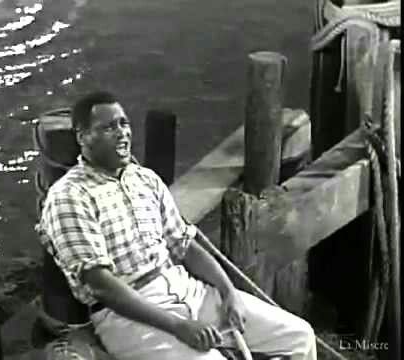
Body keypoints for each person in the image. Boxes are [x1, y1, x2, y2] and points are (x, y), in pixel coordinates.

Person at [37, 91, 317, 360]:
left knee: (299, 336)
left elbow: (185, 245)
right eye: (109, 127)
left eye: (124, 123)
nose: (122, 132)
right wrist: (178, 326)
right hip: (127, 316)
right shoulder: (68, 197)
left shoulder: (145, 179)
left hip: (186, 288)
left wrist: (228, 293)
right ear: (83, 137)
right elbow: (102, 286)